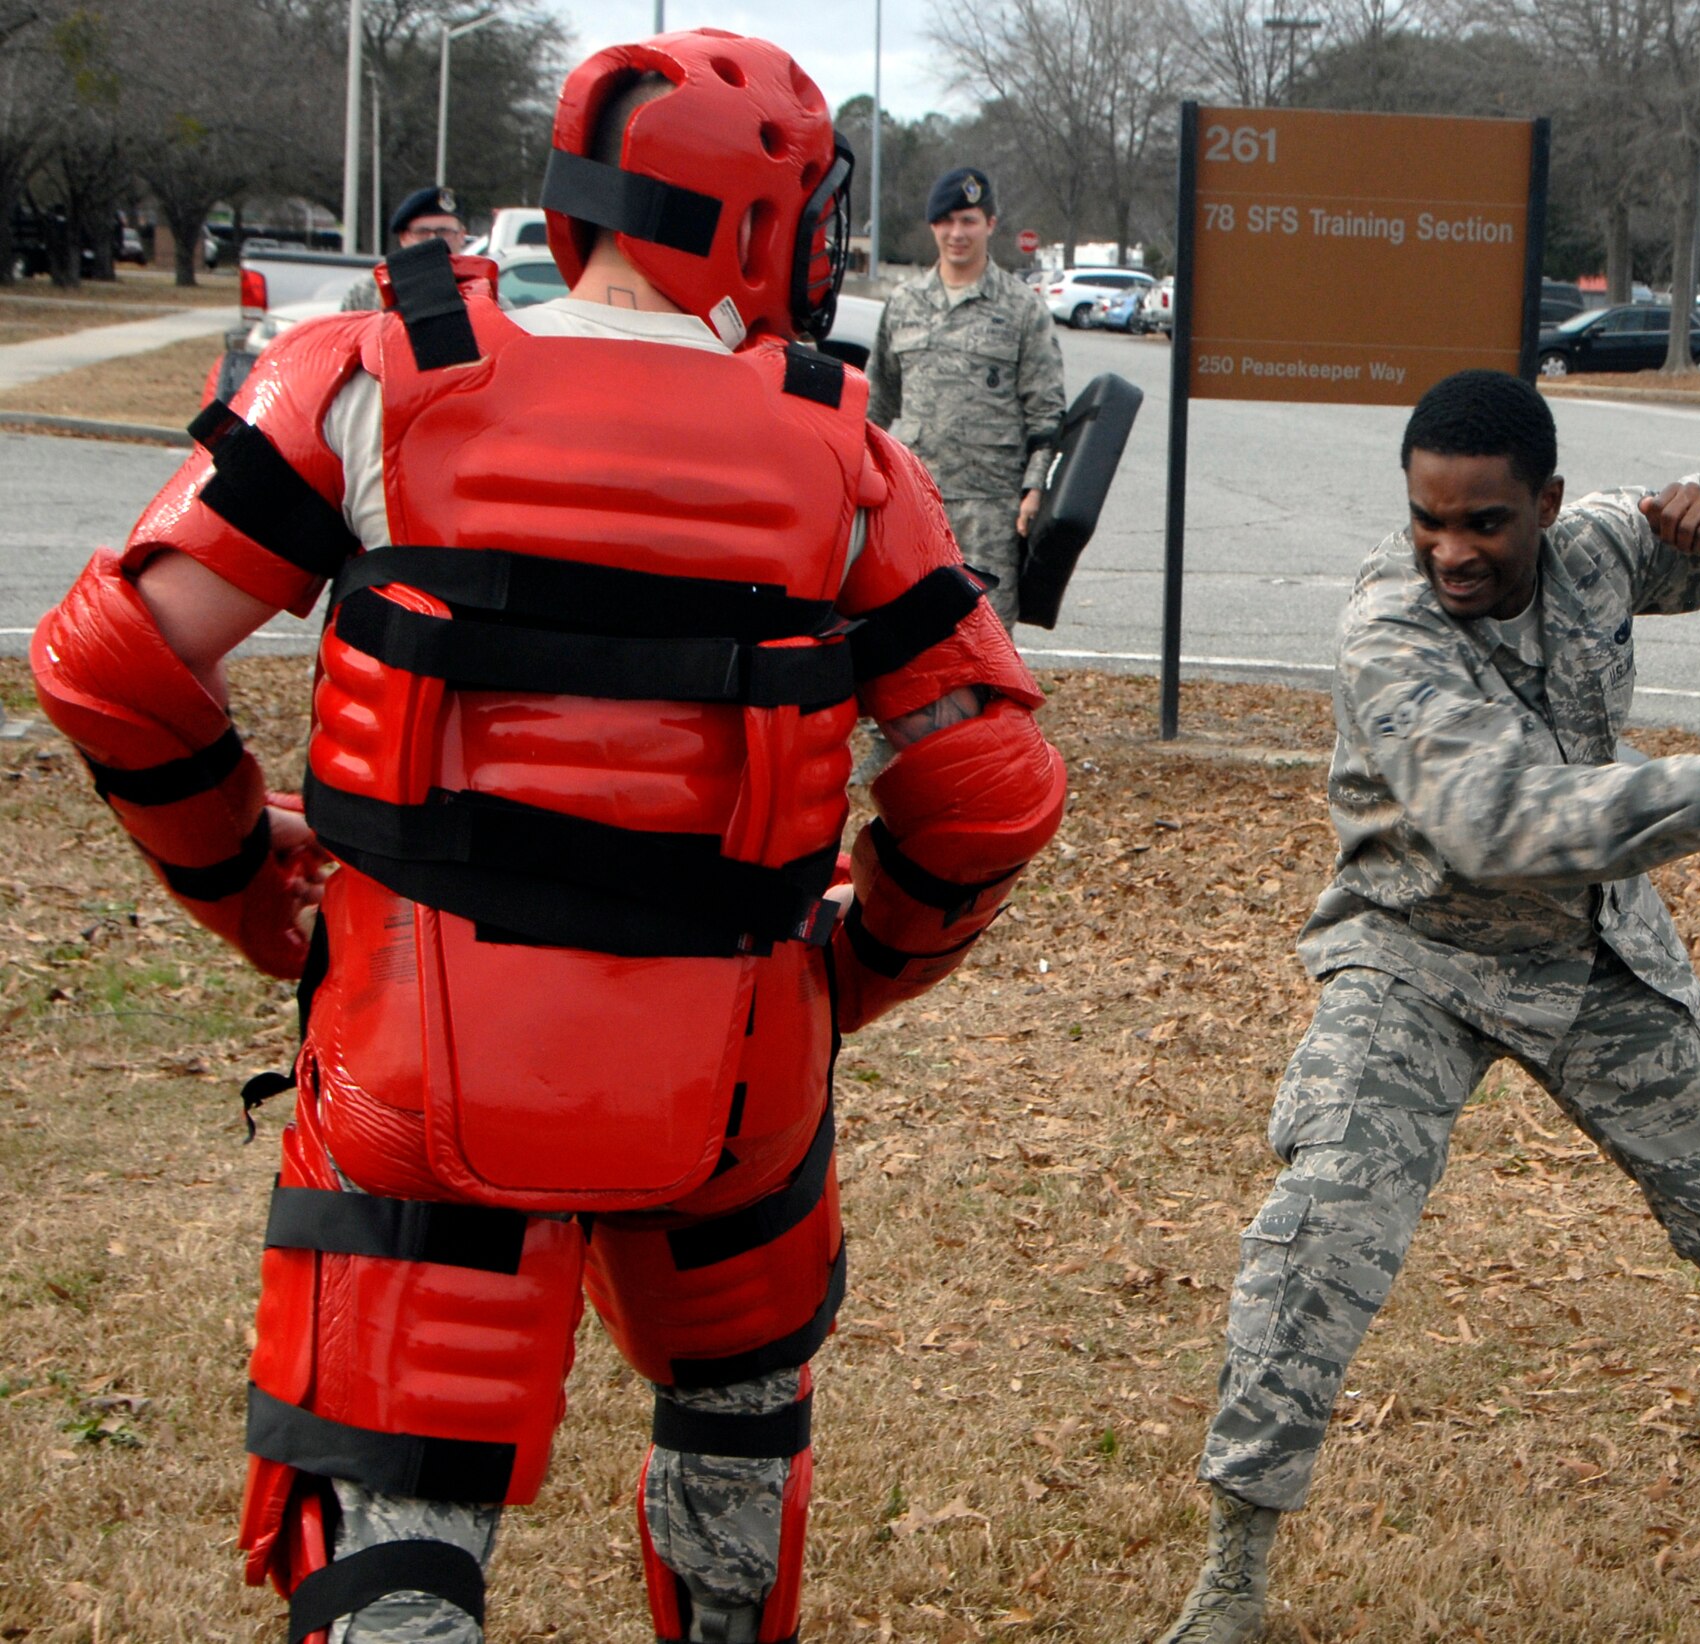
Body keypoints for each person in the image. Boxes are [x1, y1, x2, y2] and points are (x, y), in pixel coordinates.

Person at [32, 29, 1065, 1644]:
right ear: (757, 218)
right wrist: (845, 973)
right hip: (737, 1069)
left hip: (415, 1051)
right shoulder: (846, 452)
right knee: (735, 1436)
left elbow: (110, 656)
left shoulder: (369, 379)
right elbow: (990, 787)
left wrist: (254, 886)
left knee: (393, 1524)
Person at [1152, 370, 1700, 1644]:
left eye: (1484, 524)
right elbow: (1497, 821)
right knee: (1317, 1239)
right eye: (1425, 520)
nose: (1450, 551)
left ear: (1545, 505)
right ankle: (1232, 1571)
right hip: (1416, 961)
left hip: (1598, 960)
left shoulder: (1600, 549)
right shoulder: (1389, 628)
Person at [866, 166, 1066, 631]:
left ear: (991, 225)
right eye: (948, 221)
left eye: (970, 221)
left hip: (990, 510)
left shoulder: (1021, 308)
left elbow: (1046, 410)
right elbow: (877, 402)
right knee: (912, 639)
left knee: (986, 643)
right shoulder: (904, 304)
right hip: (916, 505)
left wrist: (1034, 489)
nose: (958, 233)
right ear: (933, 225)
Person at [340, 185, 469, 310]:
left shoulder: (479, 288)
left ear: (462, 236)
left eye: (444, 231)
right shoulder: (368, 291)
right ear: (403, 238)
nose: (433, 240)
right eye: (422, 232)